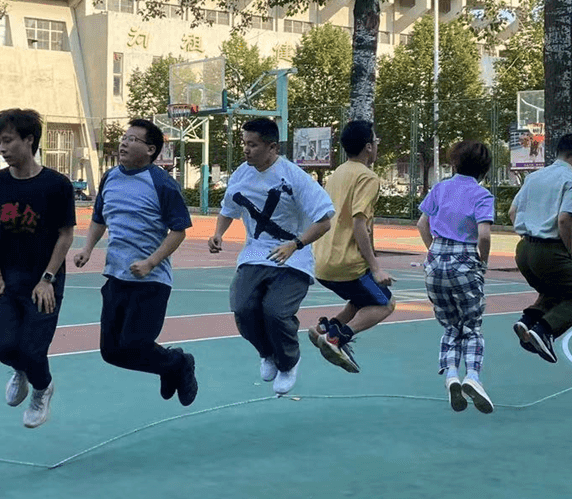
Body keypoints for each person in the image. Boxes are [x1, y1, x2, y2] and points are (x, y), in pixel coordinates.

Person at [73, 118, 198, 406]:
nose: (124, 143)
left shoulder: (162, 183)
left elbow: (179, 231)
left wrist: (151, 262)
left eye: (132, 140)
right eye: (124, 138)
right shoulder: (110, 177)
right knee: (111, 352)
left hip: (150, 281)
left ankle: (179, 363)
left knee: (135, 344)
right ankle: (171, 366)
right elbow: (99, 218)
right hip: (116, 277)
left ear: (150, 150)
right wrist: (87, 248)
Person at [208, 117, 334, 396]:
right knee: (243, 308)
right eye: (244, 143)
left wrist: (295, 244)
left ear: (273, 148)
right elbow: (228, 208)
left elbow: (324, 221)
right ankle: (267, 353)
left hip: (292, 258)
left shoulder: (295, 177)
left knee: (275, 312)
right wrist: (218, 233)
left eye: (253, 145)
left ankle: (288, 362)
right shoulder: (241, 174)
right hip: (255, 254)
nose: (246, 149)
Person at [0, 109, 76, 428]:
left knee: (34, 350)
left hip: (43, 281)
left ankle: (42, 388)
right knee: (1, 346)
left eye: (8, 141)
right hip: (7, 279)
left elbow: (65, 234)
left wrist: (48, 279)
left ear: (29, 140)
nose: (2, 148)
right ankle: (20, 370)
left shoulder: (56, 185)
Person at [309, 120, 394, 374]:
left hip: (321, 262)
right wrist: (376, 268)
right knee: (386, 304)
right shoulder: (367, 177)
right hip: (347, 264)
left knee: (361, 299)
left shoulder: (337, 174)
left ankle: (325, 328)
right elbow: (359, 224)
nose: (377, 145)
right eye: (375, 141)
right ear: (368, 147)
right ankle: (337, 337)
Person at [417, 140, 496, 414]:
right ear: (484, 169)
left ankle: (451, 374)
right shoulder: (482, 195)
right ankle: (472, 376)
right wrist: (482, 262)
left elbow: (422, 224)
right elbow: (484, 235)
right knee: (471, 327)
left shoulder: (440, 188)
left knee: (451, 326)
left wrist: (434, 251)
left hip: (436, 260)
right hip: (465, 261)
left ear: (454, 163)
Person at [507, 132, 572, 363]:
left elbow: (512, 212)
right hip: (549, 249)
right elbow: (565, 220)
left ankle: (527, 321)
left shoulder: (534, 177)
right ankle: (544, 331)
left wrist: (528, 234)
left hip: (524, 250)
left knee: (554, 293)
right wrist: (569, 251)